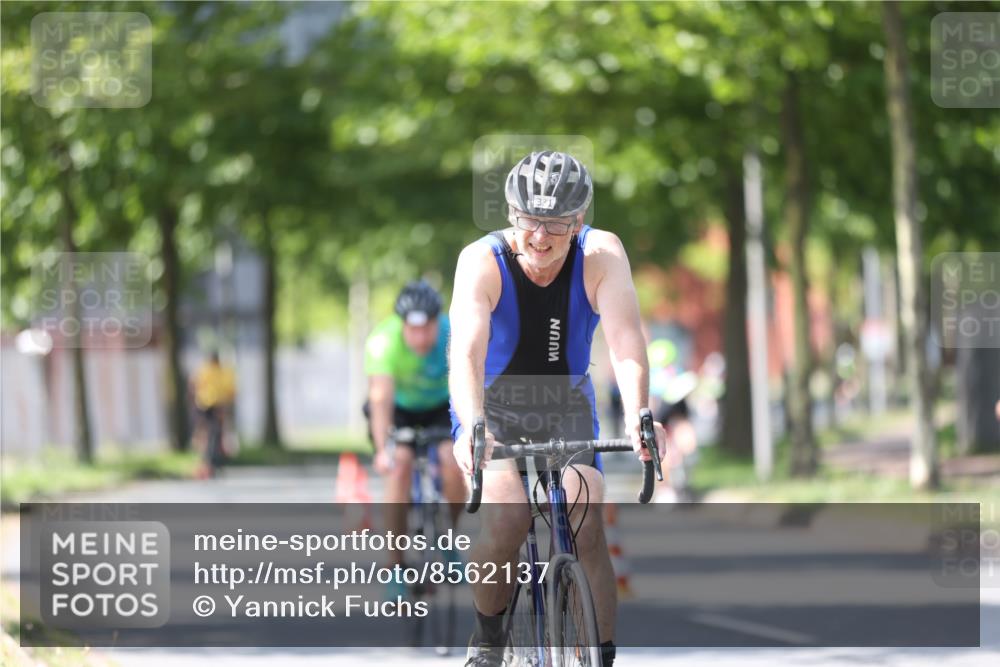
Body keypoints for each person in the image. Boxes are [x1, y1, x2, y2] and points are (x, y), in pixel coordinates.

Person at [449, 150, 667, 667]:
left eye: (557, 223)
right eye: (529, 220)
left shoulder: (601, 256)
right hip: (493, 405)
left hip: (565, 402)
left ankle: (601, 655)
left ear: (579, 220)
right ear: (510, 215)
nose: (541, 237)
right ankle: (487, 641)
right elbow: (466, 353)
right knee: (509, 517)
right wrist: (471, 428)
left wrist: (639, 415)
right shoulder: (481, 262)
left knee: (586, 517)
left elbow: (626, 343)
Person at [364, 280, 465, 587]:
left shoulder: (454, 333)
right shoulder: (383, 341)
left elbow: (467, 385)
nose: (420, 338)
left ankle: (447, 535)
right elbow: (380, 400)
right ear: (402, 324)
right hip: (399, 407)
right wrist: (383, 450)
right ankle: (395, 567)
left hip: (441, 405)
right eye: (413, 329)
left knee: (452, 460)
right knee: (400, 465)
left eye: (427, 329)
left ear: (438, 322)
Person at [647, 338, 699, 501]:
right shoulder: (655, 378)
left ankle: (679, 481)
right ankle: (666, 488)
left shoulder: (676, 373)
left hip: (675, 418)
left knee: (682, 446)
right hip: (663, 420)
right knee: (665, 455)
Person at [190, 351, 237, 478]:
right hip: (211, 405)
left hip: (209, 405)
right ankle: (210, 462)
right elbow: (230, 391)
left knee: (212, 434)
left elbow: (194, 385)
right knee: (213, 434)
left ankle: (211, 462)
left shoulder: (204, 370)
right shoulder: (219, 371)